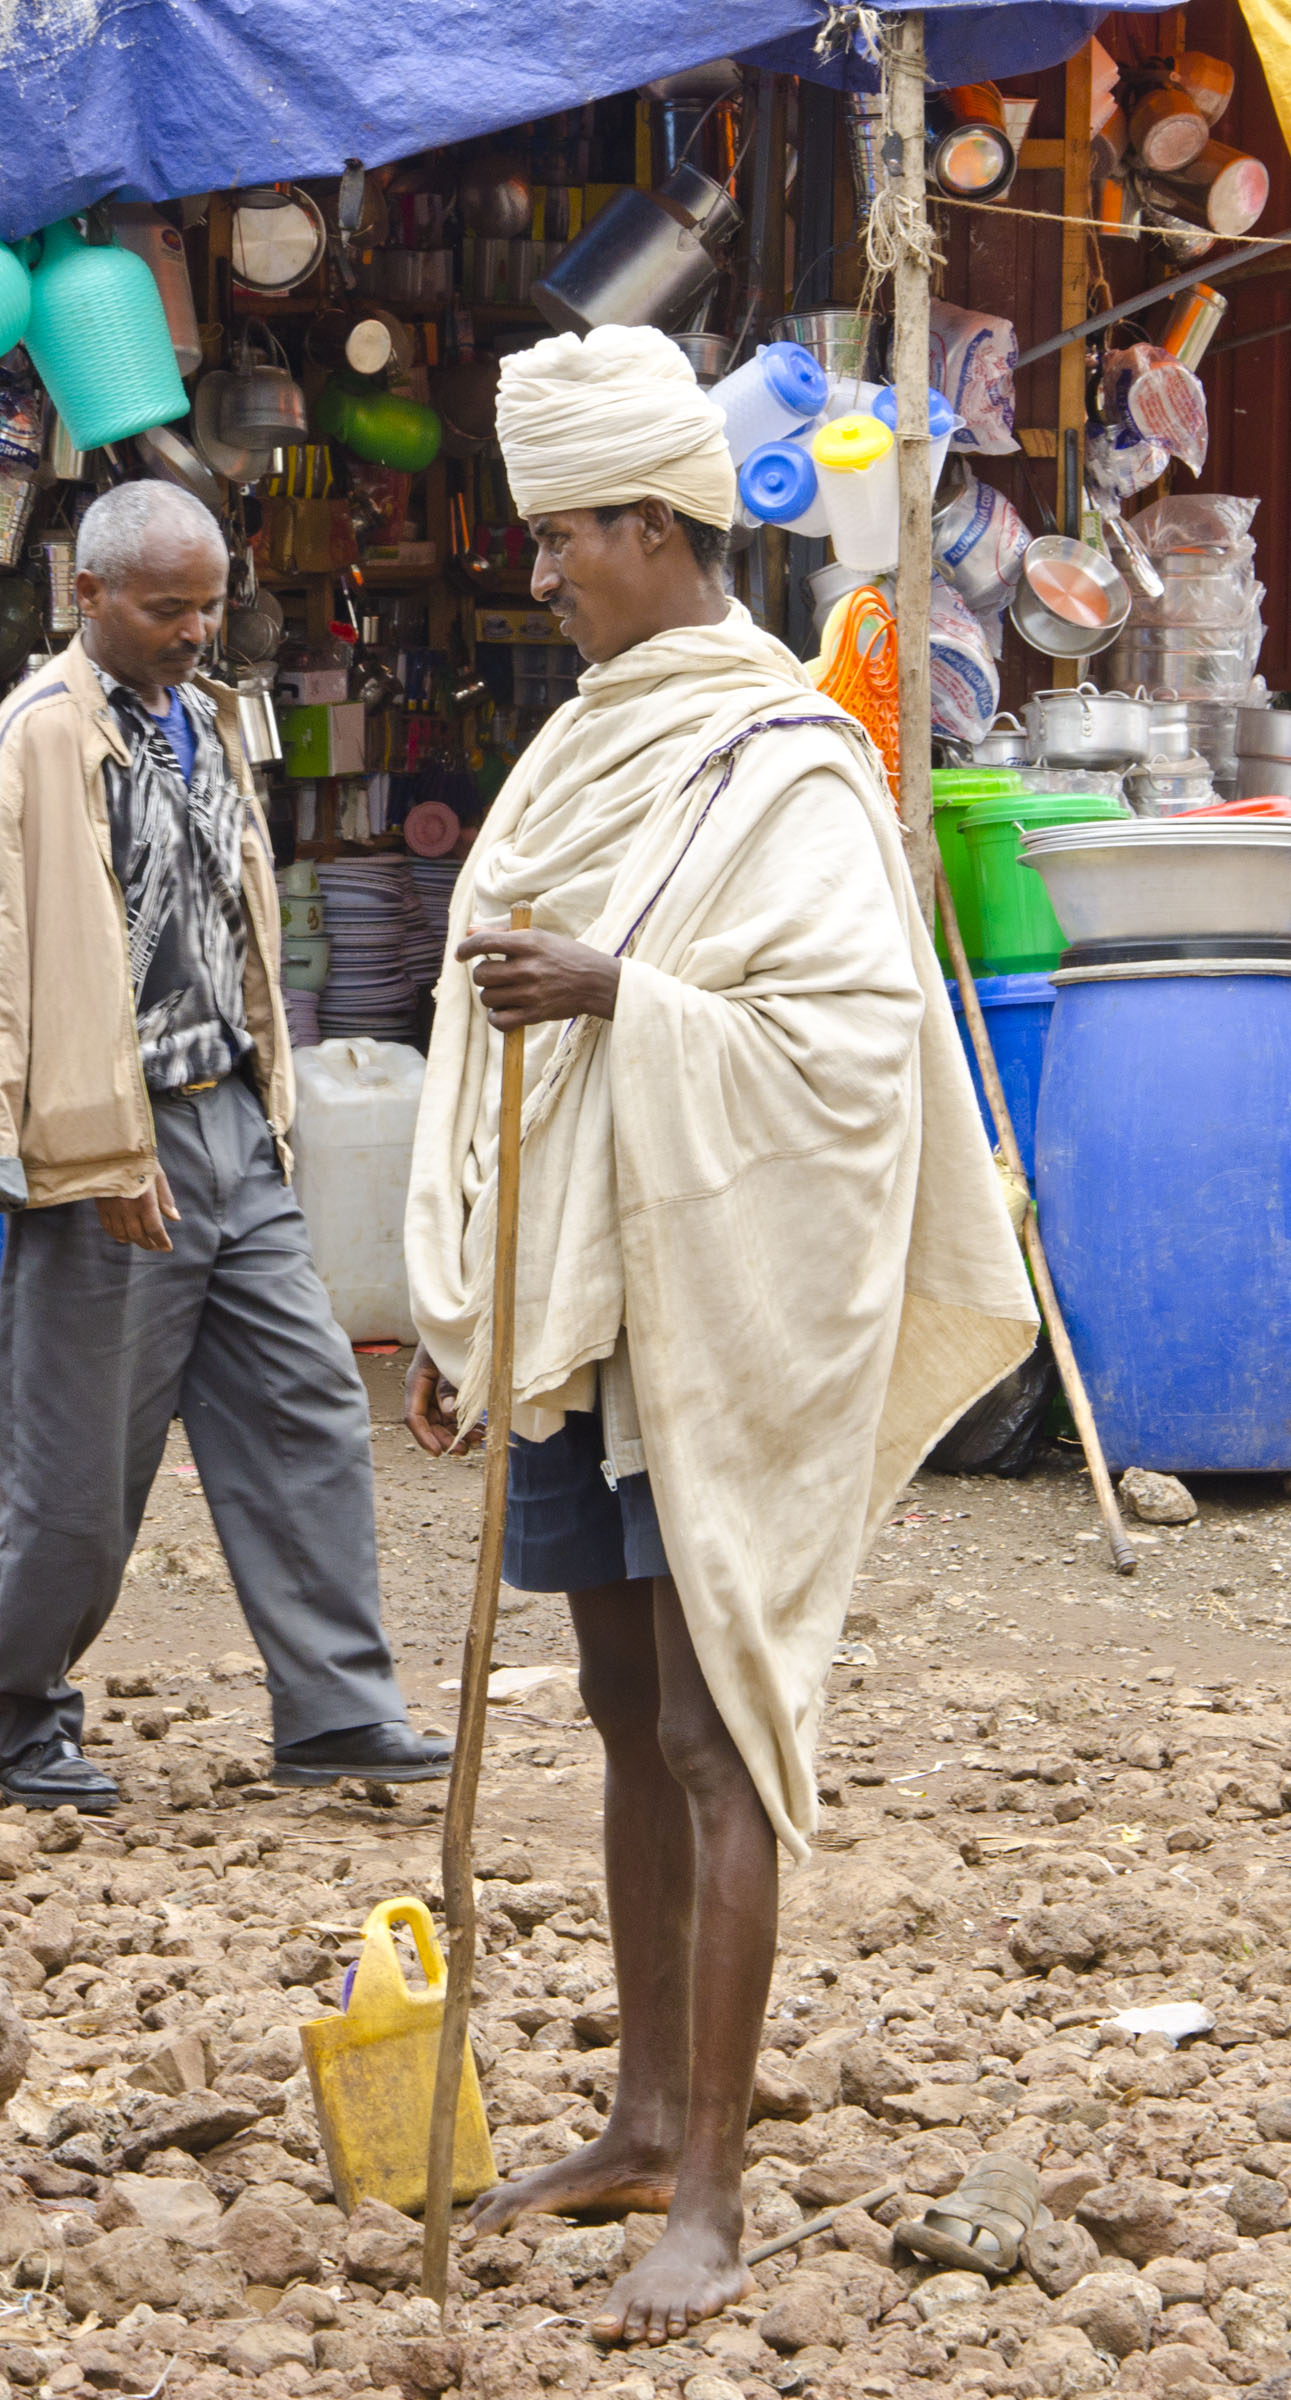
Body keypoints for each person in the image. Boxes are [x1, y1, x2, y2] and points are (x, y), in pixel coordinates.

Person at [403, 326, 1037, 2346]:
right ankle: (639, 2117)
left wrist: (623, 1002)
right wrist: (468, 1286)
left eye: (564, 536)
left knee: (715, 1721)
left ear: (662, 528)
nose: (539, 574)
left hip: (723, 1300)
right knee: (613, 1707)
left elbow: (855, 1060)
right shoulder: (585, 736)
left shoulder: (791, 760)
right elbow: (480, 1024)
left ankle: (721, 2192)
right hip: (587, 1303)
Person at [0, 480, 449, 1812]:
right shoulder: (35, 738)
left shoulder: (201, 722)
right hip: (110, 1156)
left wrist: (270, 1109)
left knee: (308, 1407)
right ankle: (14, 1714)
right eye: (166, 608)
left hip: (231, 1127)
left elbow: (233, 923)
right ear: (87, 597)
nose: (198, 630)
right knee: (77, 1471)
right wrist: (89, 1147)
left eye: (211, 605)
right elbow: (19, 970)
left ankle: (335, 1711)